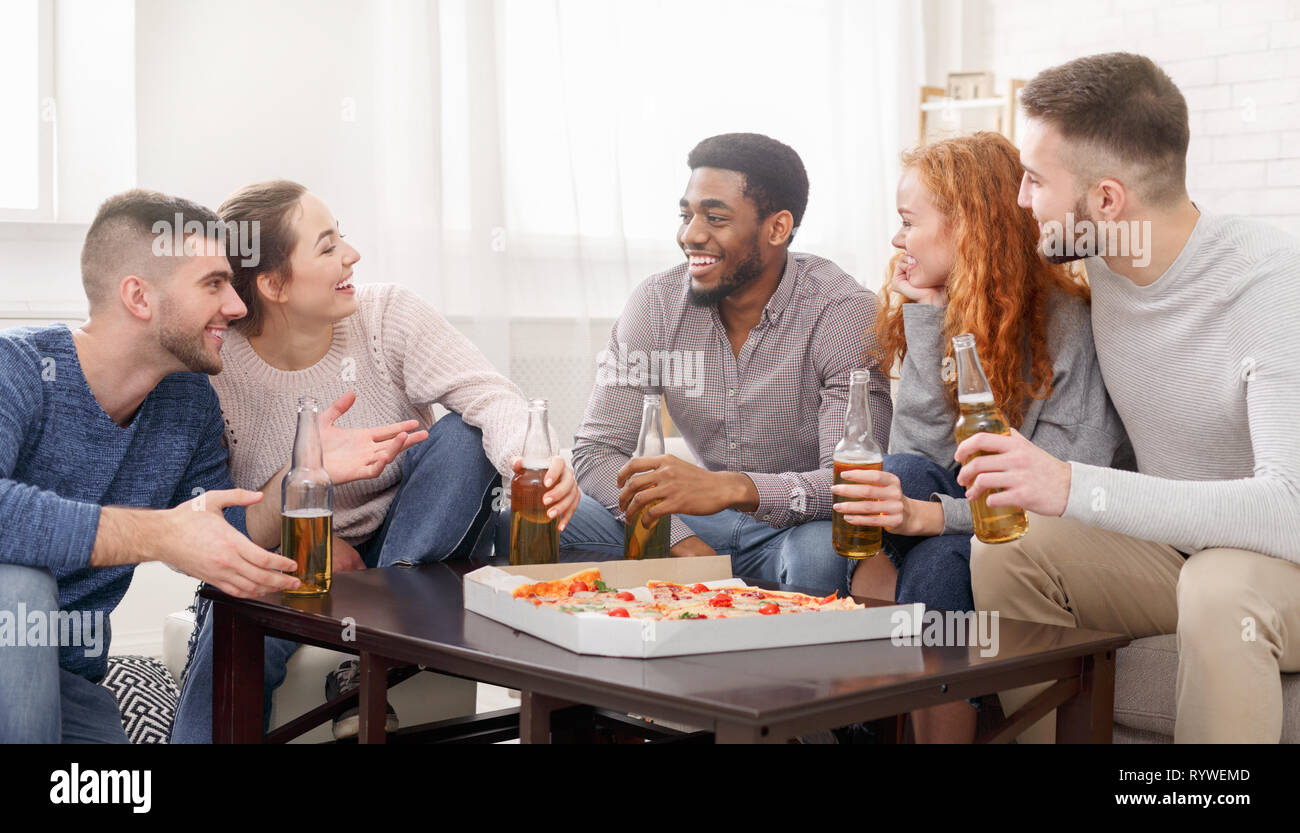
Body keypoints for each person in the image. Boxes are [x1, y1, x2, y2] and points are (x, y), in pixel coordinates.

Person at [171, 180, 592, 742]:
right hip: (288, 555)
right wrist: (306, 527)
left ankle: (381, 619)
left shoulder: (386, 314)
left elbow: (490, 397)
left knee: (467, 434)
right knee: (238, 629)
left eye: (341, 235)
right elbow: (206, 523)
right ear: (273, 283)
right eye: (327, 246)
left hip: (406, 545)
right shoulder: (217, 366)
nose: (352, 254)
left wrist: (533, 463)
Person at [961, 52, 1300, 743]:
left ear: (1108, 200)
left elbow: (1288, 508)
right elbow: (988, 266)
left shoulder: (1269, 283)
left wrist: (1071, 484)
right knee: (1006, 548)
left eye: (1033, 181)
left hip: (1279, 557)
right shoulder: (1100, 256)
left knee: (1217, 585)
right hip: (1175, 550)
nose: (1022, 201)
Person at [0, 190, 411, 743]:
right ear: (139, 297)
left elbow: (216, 535)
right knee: (19, 585)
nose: (238, 307)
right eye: (214, 284)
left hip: (70, 683)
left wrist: (299, 479)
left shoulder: (187, 402)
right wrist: (157, 535)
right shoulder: (19, 370)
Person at [830, 132, 1128, 743]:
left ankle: (866, 721)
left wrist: (932, 518)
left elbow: (1058, 499)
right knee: (905, 478)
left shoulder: (1068, 324)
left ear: (966, 226)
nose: (897, 239)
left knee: (932, 545)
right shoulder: (945, 309)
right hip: (960, 522)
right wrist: (928, 321)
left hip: (1053, 535)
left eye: (909, 221)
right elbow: (918, 455)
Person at [571, 133, 892, 595]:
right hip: (696, 521)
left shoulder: (840, 311)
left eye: (715, 218)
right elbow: (598, 451)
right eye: (686, 215)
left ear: (778, 228)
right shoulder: (657, 304)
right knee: (536, 520)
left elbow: (851, 484)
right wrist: (682, 542)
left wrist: (736, 488)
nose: (690, 235)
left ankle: (788, 666)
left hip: (795, 529)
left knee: (822, 554)